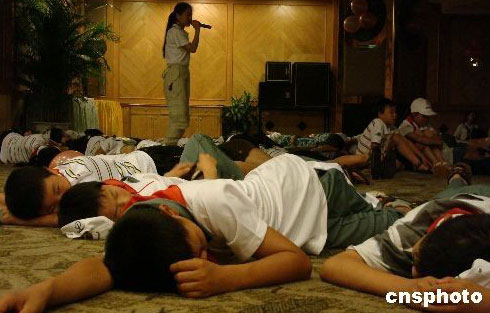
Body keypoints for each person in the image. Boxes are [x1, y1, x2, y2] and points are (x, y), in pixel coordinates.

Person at [0, 153, 409, 311]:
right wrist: (44, 291)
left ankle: (379, 199)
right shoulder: (144, 222)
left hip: (313, 195)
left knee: (401, 229)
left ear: (174, 215)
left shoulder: (214, 203)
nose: (201, 259)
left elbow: (298, 263)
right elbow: (104, 266)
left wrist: (225, 277)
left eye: (198, 248)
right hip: (274, 210)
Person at [319, 163, 490, 312]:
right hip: (451, 200)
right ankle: (457, 176)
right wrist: (408, 289)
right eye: (414, 258)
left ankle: (457, 177)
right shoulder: (415, 228)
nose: (413, 272)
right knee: (452, 190)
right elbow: (335, 265)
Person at [0, 134, 270, 227]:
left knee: (221, 153)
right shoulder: (84, 201)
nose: (65, 196)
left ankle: (265, 169)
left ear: (50, 171)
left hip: (150, 162)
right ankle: (264, 176)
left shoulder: (68, 170)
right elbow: (62, 218)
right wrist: (17, 218)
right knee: (220, 156)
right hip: (156, 175)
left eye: (57, 189)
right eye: (53, 206)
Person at [160, 2, 203, 145]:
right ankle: (167, 149)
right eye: (187, 15)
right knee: (179, 119)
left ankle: (168, 147)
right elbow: (193, 48)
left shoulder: (178, 32)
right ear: (178, 16)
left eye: (191, 15)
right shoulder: (175, 32)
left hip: (181, 73)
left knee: (182, 117)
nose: (190, 18)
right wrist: (197, 30)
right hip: (176, 74)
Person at [398, 98, 448, 175]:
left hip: (424, 153)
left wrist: (432, 138)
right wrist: (431, 138)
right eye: (424, 116)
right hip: (412, 158)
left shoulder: (426, 125)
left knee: (428, 137)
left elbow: (437, 137)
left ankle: (442, 162)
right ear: (414, 114)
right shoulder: (405, 126)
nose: (427, 119)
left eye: (428, 117)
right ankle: (435, 164)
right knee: (423, 140)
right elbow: (420, 139)